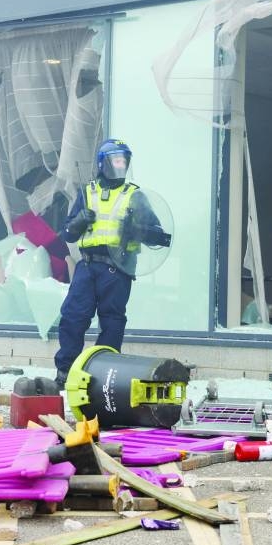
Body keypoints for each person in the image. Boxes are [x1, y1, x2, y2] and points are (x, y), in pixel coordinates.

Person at [53, 139, 166, 388]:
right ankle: (66, 372)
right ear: (103, 164)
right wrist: (80, 220)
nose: (120, 165)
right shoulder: (87, 192)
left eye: (124, 160)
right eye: (116, 160)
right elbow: (68, 234)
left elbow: (159, 236)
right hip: (87, 265)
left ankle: (103, 372)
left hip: (118, 269)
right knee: (72, 317)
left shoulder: (135, 196)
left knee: (112, 322)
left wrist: (137, 228)